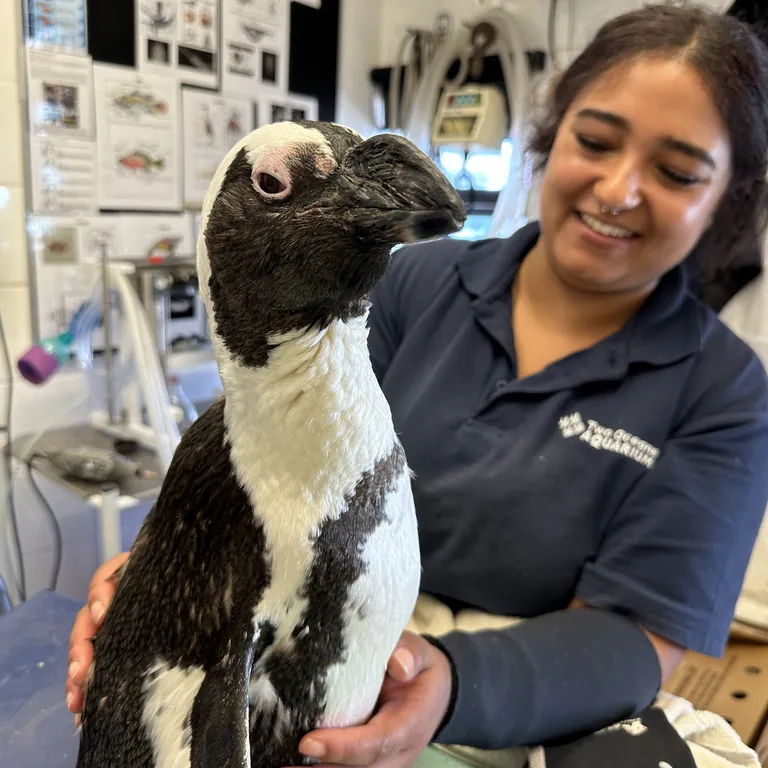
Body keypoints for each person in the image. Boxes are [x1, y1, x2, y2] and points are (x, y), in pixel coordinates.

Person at [66, 5, 768, 765]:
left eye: (676, 172)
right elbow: (270, 443)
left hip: (515, 698)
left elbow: (639, 637)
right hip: (307, 660)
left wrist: (447, 686)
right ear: (553, 132)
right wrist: (170, 581)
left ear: (729, 195)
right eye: (596, 141)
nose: (618, 189)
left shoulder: (723, 389)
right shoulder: (418, 282)